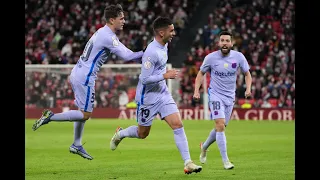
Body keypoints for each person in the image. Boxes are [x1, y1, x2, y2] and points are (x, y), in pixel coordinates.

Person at [32, 4, 144, 160]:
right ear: (112, 20)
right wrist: (146, 54)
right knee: (85, 114)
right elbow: (127, 56)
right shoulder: (108, 37)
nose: (124, 21)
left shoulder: (102, 31)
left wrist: (140, 55)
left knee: (81, 112)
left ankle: (76, 144)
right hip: (85, 77)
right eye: (121, 18)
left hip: (78, 72)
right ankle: (50, 117)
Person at [109, 16, 202, 174]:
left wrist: (163, 77)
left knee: (178, 125)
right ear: (161, 32)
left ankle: (188, 162)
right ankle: (121, 134)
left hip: (162, 94)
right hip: (147, 98)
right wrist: (165, 76)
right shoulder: (151, 52)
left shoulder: (164, 46)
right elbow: (144, 79)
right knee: (142, 133)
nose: (173, 33)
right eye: (171, 31)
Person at [193, 31, 252, 169]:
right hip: (215, 94)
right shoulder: (210, 58)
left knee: (221, 126)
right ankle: (226, 161)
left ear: (231, 43)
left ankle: (204, 146)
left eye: (227, 40)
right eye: (222, 40)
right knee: (220, 125)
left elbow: (247, 74)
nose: (224, 43)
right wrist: (196, 90)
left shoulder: (238, 57)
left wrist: (248, 89)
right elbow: (200, 74)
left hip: (230, 97)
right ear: (219, 43)